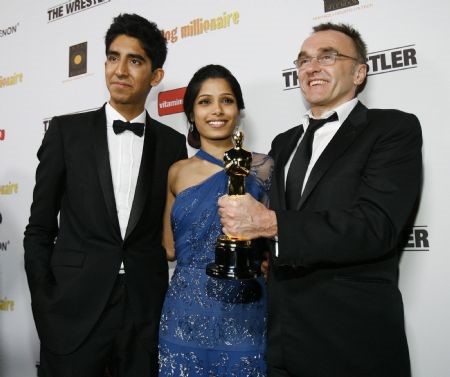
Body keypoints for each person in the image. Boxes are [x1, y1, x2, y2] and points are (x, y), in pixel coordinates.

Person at [218, 23, 422, 377]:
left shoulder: (392, 130)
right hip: (281, 339)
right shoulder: (283, 143)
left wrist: (270, 223)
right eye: (303, 60)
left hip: (352, 341)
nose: (311, 67)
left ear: (359, 72)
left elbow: (376, 226)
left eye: (328, 56)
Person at [24, 13, 187, 377]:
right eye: (113, 57)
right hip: (73, 308)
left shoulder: (173, 145)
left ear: (155, 75)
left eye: (135, 60)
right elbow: (38, 228)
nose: (120, 70)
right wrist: (46, 303)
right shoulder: (66, 133)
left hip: (144, 311)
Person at [158, 64, 273, 376]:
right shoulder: (177, 171)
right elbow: (168, 247)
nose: (217, 110)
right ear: (191, 113)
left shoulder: (263, 168)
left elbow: (277, 237)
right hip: (183, 316)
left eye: (227, 100)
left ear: (238, 109)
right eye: (205, 101)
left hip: (245, 311)